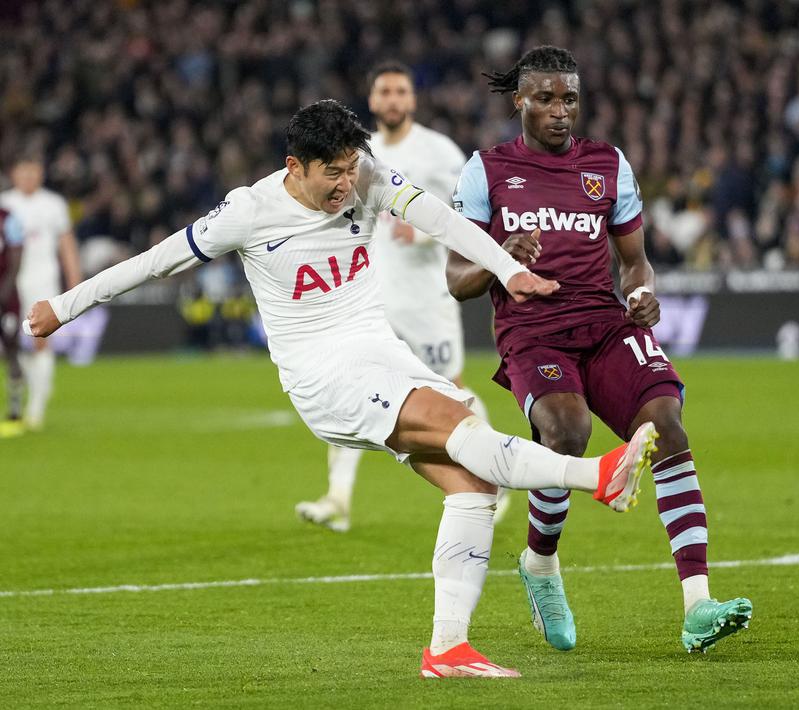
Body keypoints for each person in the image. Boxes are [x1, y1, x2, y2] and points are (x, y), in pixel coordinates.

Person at [25, 99, 660, 678]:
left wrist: (507, 266)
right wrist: (65, 304)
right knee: (464, 429)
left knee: (473, 487)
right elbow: (155, 260)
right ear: (293, 167)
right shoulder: (247, 211)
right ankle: (597, 475)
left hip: (381, 352)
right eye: (332, 172)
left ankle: (448, 648)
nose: (346, 185)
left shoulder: (368, 177)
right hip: (323, 374)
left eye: (353, 169)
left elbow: (438, 218)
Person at [446, 46, 752, 654]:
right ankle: (540, 565)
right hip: (533, 329)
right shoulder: (486, 171)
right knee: (566, 431)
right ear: (520, 102)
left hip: (605, 323)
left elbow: (635, 264)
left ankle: (697, 606)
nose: (561, 112)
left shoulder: (608, 165)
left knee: (668, 428)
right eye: (547, 99)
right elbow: (458, 280)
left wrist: (642, 295)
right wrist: (504, 256)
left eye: (570, 99)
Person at [294, 62, 502, 534]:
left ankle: (496, 474)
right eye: (383, 91)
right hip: (370, 300)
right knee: (350, 388)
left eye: (400, 91)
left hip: (427, 299)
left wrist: (425, 235)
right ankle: (339, 498)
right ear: (372, 100)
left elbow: (469, 210)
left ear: (411, 100)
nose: (391, 99)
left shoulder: (437, 150)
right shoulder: (353, 154)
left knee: (451, 388)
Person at [0, 157, 80, 431]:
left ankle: (36, 407)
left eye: (32, 171)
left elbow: (66, 244)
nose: (27, 177)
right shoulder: (5, 203)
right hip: (10, 281)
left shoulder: (54, 204)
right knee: (11, 341)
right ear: (14, 173)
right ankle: (30, 393)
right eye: (22, 171)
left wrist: (74, 281)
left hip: (42, 279)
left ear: (41, 173)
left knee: (40, 339)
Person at [0, 207, 24, 437]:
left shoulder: (8, 219)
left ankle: (15, 411)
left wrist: (5, 292)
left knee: (11, 350)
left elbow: (16, 256)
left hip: (6, 298)